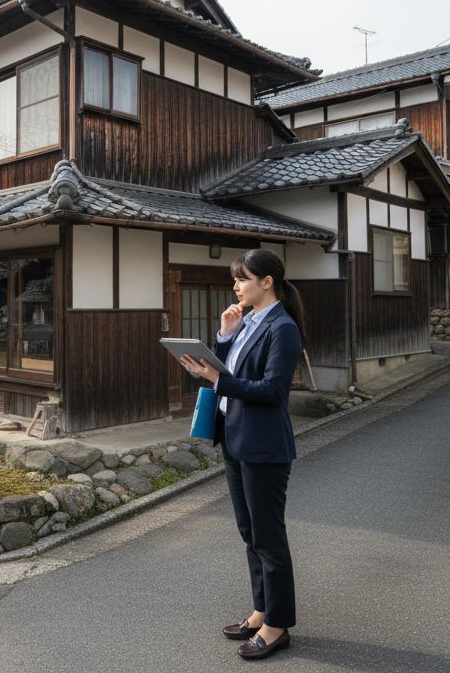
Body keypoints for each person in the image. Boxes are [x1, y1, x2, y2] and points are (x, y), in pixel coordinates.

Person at [178, 248, 304, 661]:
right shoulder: (248, 322)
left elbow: (272, 391)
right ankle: (260, 612)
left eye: (242, 279)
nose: (235, 286)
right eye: (235, 279)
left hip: (264, 446)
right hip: (235, 439)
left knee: (269, 538)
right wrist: (224, 336)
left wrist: (215, 378)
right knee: (250, 534)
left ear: (267, 282)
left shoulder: (282, 328)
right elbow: (233, 370)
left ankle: (277, 626)